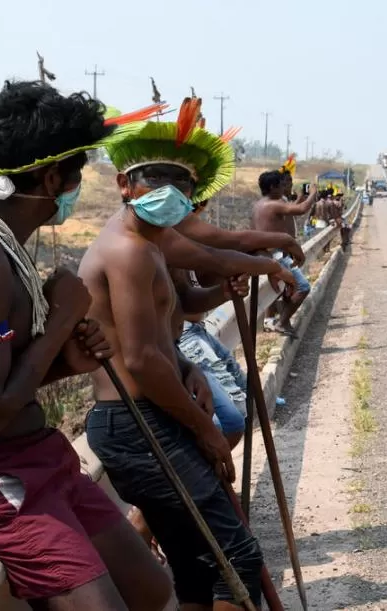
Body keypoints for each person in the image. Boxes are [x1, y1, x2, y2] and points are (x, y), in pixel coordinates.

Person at [0, 81, 172, 610]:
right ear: (50, 177)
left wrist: (65, 357)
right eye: (76, 177)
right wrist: (64, 318)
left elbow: (1, 381)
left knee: (152, 589)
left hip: (36, 455)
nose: (75, 190)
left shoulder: (1, 248)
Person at [80, 100, 265, 610]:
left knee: (193, 561)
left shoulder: (154, 241)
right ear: (124, 184)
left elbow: (177, 310)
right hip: (138, 424)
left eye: (182, 184)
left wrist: (189, 366)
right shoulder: (128, 251)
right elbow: (138, 360)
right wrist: (206, 430)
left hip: (153, 412)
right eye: (154, 180)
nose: (170, 193)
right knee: (237, 558)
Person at [252, 158, 319, 337]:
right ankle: (281, 322)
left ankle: (284, 321)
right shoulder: (274, 204)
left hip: (269, 253)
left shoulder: (259, 204)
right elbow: (303, 209)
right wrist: (313, 193)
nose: (284, 188)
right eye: (281, 185)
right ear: (273, 187)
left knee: (289, 287)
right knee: (302, 287)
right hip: (277, 255)